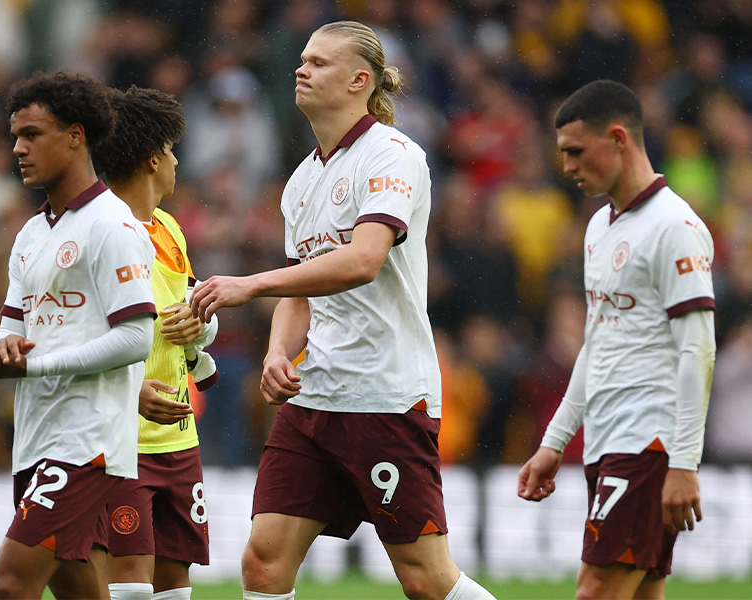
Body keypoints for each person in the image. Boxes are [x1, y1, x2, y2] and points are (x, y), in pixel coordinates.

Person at [191, 20, 496, 600]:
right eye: (301, 59)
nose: (301, 70)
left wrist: (249, 286)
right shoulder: (302, 179)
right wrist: (279, 352)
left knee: (426, 579)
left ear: (360, 80)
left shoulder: (393, 155)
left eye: (318, 62)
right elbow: (300, 291)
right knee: (262, 561)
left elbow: (362, 260)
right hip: (315, 395)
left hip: (384, 393)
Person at [0, 71, 158, 600]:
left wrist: (35, 366)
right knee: (77, 591)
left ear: (76, 136)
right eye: (15, 137)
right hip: (36, 437)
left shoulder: (112, 226)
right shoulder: (31, 234)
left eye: (32, 135)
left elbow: (136, 338)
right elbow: (15, 326)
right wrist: (2, 351)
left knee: (9, 583)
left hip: (85, 441)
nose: (18, 149)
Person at [517, 79, 717, 600]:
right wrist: (553, 443)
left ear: (620, 138)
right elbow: (596, 343)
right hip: (608, 439)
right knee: (642, 591)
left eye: (576, 152)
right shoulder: (599, 227)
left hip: (648, 441)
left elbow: (699, 348)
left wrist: (683, 463)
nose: (567, 167)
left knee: (596, 590)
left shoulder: (675, 227)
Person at [93, 85, 219, 600]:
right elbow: (75, 333)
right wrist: (127, 387)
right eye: (169, 150)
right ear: (151, 160)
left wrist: (200, 326)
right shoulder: (101, 232)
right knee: (130, 580)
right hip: (122, 439)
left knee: (174, 580)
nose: (175, 162)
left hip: (179, 436)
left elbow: (189, 310)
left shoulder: (168, 227)